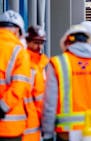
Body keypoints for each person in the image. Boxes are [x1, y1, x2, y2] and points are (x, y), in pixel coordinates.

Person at [0, 10, 31, 141]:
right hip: (9, 125)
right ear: (17, 31)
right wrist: (1, 107)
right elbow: (19, 86)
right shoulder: (19, 52)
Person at [22, 26, 49, 141]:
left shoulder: (40, 64)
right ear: (27, 41)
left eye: (41, 42)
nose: (39, 46)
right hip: (28, 119)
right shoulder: (25, 62)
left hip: (34, 120)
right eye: (35, 42)